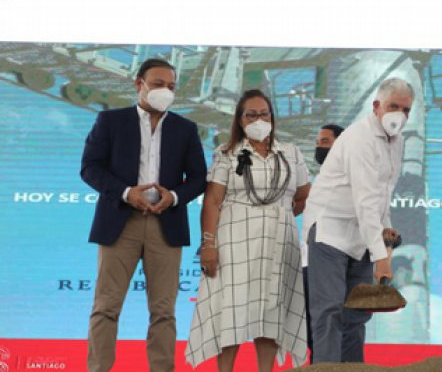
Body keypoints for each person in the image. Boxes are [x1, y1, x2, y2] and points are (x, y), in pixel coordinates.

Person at [80, 58, 207, 372]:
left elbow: (199, 177)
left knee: (164, 311)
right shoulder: (110, 121)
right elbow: (90, 168)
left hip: (166, 225)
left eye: (171, 86)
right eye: (158, 84)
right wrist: (127, 192)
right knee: (106, 307)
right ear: (139, 84)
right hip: (119, 223)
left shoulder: (186, 128)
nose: (165, 91)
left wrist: (174, 196)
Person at [185, 89, 312, 371]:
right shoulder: (227, 153)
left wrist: (281, 215)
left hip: (280, 241)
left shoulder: (291, 152)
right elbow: (213, 201)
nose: (258, 119)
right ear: (240, 120)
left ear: (272, 116)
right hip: (234, 241)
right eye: (251, 114)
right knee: (231, 311)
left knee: (272, 312)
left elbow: (304, 194)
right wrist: (208, 244)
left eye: (263, 113)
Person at [303, 78, 412, 363]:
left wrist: (384, 227)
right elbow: (364, 199)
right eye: (393, 106)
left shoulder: (398, 141)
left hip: (363, 233)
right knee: (329, 312)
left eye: (405, 109)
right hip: (331, 232)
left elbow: (382, 192)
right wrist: (381, 257)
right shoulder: (358, 138)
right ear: (376, 106)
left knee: (356, 314)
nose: (398, 114)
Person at [301, 123, 345, 363]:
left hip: (332, 260)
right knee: (310, 325)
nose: (320, 147)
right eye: (318, 143)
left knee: (329, 322)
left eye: (325, 142)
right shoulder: (317, 178)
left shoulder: (350, 175)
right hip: (308, 261)